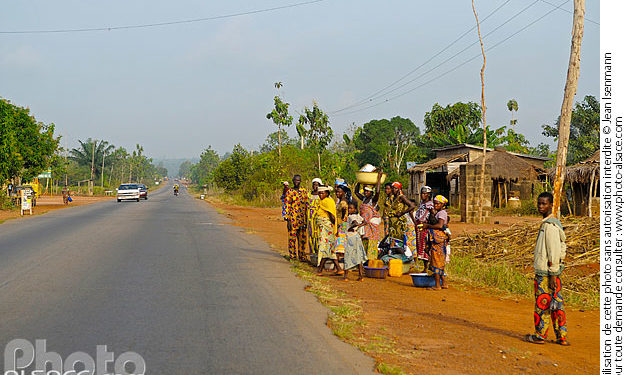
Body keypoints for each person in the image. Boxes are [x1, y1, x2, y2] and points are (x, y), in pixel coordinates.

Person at [526, 192, 569, 346]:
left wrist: (552, 275)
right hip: (552, 272)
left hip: (547, 273)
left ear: (551, 205)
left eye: (544, 204)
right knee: (557, 304)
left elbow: (553, 251)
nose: (541, 207)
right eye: (539, 203)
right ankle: (561, 336)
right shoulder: (550, 223)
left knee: (542, 304)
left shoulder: (549, 226)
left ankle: (540, 335)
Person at [420, 195, 449, 290]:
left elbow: (440, 225)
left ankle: (437, 285)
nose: (435, 205)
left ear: (442, 204)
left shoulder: (442, 213)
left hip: (438, 240)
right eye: (435, 203)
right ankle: (444, 283)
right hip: (438, 239)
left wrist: (427, 226)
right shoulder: (439, 213)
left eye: (438, 204)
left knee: (436, 261)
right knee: (439, 261)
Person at [354, 171, 383, 261]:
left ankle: (371, 260)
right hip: (365, 224)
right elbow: (356, 192)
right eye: (365, 191)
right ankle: (364, 261)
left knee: (372, 242)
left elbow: (378, 192)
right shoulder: (364, 199)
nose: (365, 192)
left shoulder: (373, 200)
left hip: (371, 225)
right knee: (364, 241)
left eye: (368, 191)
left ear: (371, 193)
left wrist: (378, 179)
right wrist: (359, 180)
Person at [316, 186, 342, 275]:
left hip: (327, 228)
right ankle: (338, 268)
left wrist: (332, 227)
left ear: (327, 193)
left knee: (324, 246)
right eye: (319, 193)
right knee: (329, 248)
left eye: (322, 193)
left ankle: (320, 268)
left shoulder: (327, 201)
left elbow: (332, 216)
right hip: (326, 228)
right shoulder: (324, 201)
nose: (320, 195)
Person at [283, 175, 309, 261]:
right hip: (293, 218)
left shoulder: (304, 191)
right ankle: (292, 256)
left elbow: (307, 205)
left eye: (298, 180)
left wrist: (307, 219)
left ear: (300, 181)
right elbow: (286, 205)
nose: (297, 182)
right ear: (293, 181)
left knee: (302, 238)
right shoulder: (289, 192)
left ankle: (302, 256)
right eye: (295, 180)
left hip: (302, 219)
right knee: (292, 238)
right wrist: (287, 219)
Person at [342, 201, 368, 281]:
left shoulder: (350, 217)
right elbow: (365, 222)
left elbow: (355, 223)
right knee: (358, 255)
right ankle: (361, 276)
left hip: (350, 237)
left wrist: (351, 228)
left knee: (348, 255)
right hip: (357, 236)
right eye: (348, 208)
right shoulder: (358, 216)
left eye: (351, 208)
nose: (349, 210)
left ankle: (346, 276)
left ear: (355, 209)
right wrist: (360, 226)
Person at [388, 182, 417, 249]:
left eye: (395, 188)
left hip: (399, 222)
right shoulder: (392, 197)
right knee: (392, 239)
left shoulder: (401, 197)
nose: (393, 190)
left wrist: (402, 213)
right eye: (393, 188)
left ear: (399, 189)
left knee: (399, 240)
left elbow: (412, 206)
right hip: (393, 223)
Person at [414, 186, 434, 272]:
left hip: (425, 227)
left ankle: (427, 267)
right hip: (419, 227)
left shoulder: (430, 205)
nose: (423, 195)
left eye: (425, 194)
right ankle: (425, 267)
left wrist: (428, 224)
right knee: (420, 247)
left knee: (425, 246)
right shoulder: (422, 203)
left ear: (429, 195)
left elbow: (433, 215)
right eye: (422, 193)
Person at [333, 184, 351, 257]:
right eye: (337, 192)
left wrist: (342, 219)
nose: (337, 194)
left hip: (341, 223)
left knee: (340, 241)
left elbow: (344, 210)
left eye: (339, 192)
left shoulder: (343, 202)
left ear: (344, 192)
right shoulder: (342, 200)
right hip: (342, 223)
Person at [307, 178, 323, 257]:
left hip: (318, 216)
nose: (315, 186)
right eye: (314, 184)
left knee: (318, 234)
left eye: (317, 185)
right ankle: (312, 251)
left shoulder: (321, 195)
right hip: (309, 217)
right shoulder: (309, 194)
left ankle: (318, 251)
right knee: (311, 233)